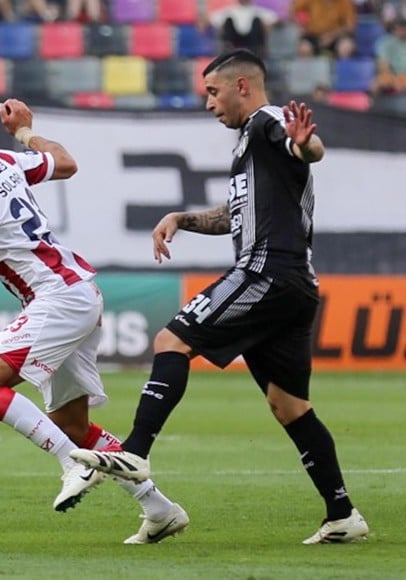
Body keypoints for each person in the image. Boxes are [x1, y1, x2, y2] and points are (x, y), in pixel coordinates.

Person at [70, 49, 369, 545]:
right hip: (296, 286)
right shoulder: (251, 151)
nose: (208, 103)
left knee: (172, 340)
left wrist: (307, 144)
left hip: (266, 272)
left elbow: (309, 147)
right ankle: (342, 514)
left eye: (213, 92)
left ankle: (135, 451)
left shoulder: (266, 123)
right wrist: (182, 219)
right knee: (288, 404)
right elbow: (235, 215)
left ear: (243, 87)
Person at [0, 99, 189, 544]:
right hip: (79, 290)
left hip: (57, 298)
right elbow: (66, 163)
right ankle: (159, 508)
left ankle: (71, 463)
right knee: (71, 424)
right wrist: (26, 132)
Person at [206, 0, 279, 56]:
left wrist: (266, 25)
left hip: (252, 42)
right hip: (233, 40)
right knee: (228, 20)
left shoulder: (258, 11)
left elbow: (274, 19)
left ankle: (256, 50)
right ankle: (228, 48)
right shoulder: (229, 11)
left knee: (256, 20)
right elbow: (213, 19)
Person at [292, 0, 357, 56]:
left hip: (336, 36)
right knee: (304, 49)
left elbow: (349, 26)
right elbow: (297, 12)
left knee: (346, 47)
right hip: (313, 35)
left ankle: (343, 69)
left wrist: (331, 36)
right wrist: (303, 26)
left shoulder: (345, 2)